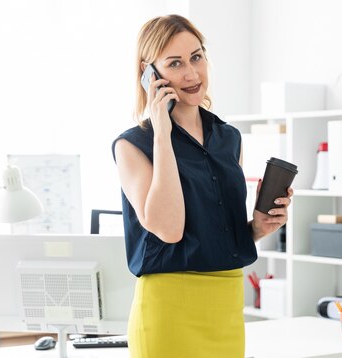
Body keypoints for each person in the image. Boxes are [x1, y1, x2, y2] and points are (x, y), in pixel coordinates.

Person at [111, 14, 292, 358]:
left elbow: (214, 230)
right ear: (149, 74)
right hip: (168, 310)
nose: (192, 73)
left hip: (225, 305)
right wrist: (162, 133)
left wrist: (256, 228)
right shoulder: (132, 146)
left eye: (196, 57)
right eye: (175, 63)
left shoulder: (229, 138)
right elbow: (169, 229)